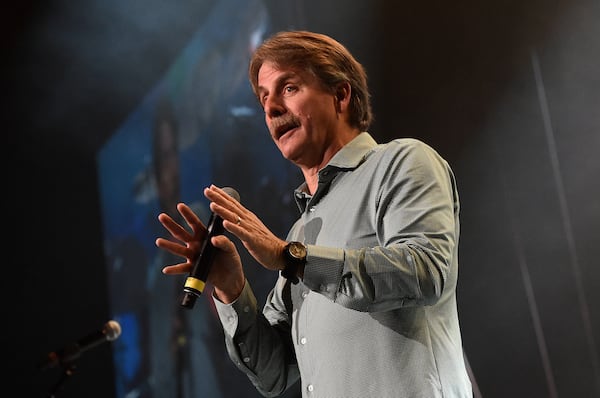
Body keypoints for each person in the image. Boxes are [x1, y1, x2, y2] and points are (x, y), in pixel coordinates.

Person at [155, 30, 473, 398]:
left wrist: (291, 258)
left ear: (340, 95)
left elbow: (424, 272)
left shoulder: (401, 162)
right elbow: (272, 374)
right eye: (264, 99)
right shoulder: (300, 230)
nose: (271, 108)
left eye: (288, 88)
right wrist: (230, 287)